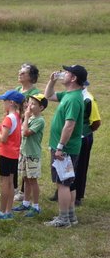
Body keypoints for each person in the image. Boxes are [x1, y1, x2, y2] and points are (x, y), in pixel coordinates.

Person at [44, 65, 86, 228]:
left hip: (65, 149)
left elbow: (69, 125)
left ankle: (63, 219)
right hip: (65, 148)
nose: (64, 74)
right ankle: (71, 216)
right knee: (68, 182)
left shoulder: (74, 99)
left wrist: (60, 147)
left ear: (74, 78)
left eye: (67, 72)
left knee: (62, 183)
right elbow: (49, 96)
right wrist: (51, 81)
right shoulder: (70, 95)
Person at [0, 90, 24, 220]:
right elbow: (10, 132)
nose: (3, 103)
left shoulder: (9, 118)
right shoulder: (17, 116)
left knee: (4, 183)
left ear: (11, 103)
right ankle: (8, 211)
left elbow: (3, 138)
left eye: (4, 101)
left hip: (6, 154)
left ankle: (2, 211)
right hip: (14, 155)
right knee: (10, 183)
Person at [12, 94, 47, 217]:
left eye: (33, 104)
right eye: (29, 103)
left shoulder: (39, 121)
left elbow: (26, 133)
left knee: (33, 180)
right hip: (24, 153)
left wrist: (26, 118)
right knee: (26, 179)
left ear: (41, 108)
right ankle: (26, 203)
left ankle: (36, 206)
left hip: (32, 154)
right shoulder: (31, 118)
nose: (30, 106)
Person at [14, 63, 40, 201]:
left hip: (25, 128)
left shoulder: (35, 94)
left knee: (26, 158)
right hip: (15, 126)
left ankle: (24, 192)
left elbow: (33, 113)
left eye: (23, 73)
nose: (20, 73)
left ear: (31, 77)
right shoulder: (18, 89)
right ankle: (14, 188)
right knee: (17, 159)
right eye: (20, 71)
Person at [74, 82, 101, 205]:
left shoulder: (88, 99)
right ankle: (62, 192)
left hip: (83, 137)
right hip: (71, 137)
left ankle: (78, 195)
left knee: (80, 165)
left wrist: (85, 132)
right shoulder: (72, 95)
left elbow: (96, 122)